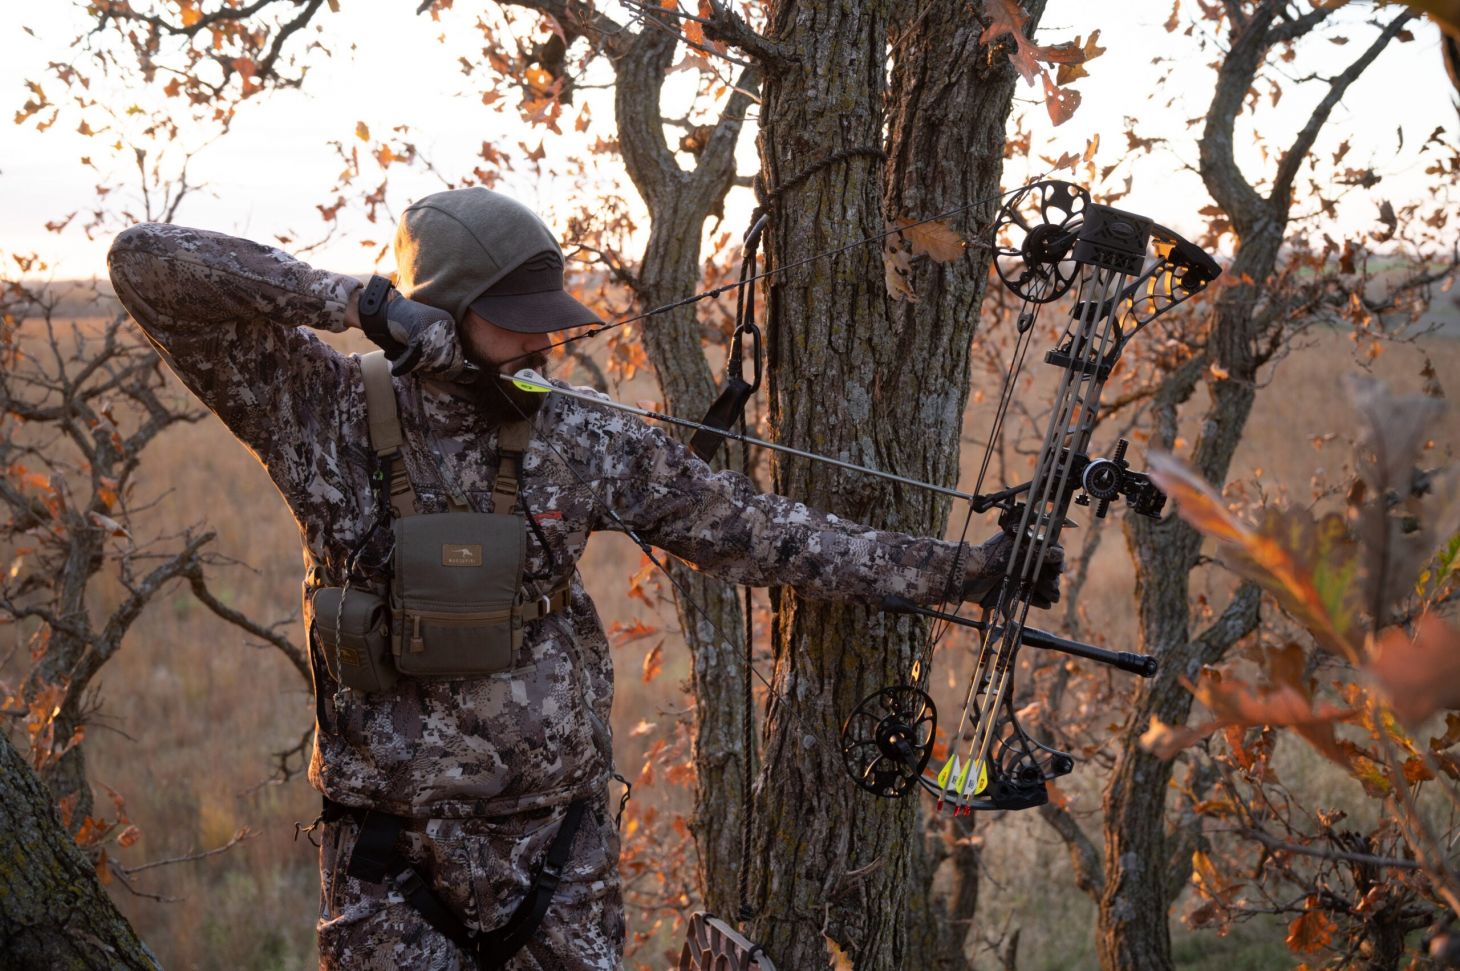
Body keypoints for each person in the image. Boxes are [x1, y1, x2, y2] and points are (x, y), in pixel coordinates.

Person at [107, 187, 1059, 971]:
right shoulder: (319, 408)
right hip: (389, 861)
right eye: (515, 323)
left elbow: (762, 534)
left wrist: (966, 571)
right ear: (438, 308)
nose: (543, 346)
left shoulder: (580, 431)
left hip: (556, 858)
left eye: (547, 324)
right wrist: (358, 302)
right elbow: (143, 263)